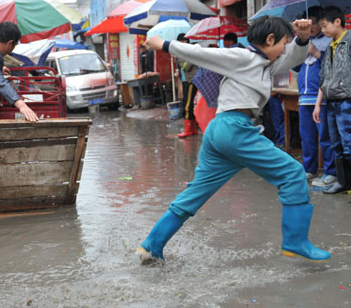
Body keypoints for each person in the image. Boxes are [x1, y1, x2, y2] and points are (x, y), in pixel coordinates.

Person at [138, 16, 330, 264]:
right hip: (234, 129)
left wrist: (302, 38)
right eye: (283, 42)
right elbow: (202, 55)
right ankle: (295, 241)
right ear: (270, 40)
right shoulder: (243, 58)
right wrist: (163, 44)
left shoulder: (264, 64)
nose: (285, 47)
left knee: (196, 192)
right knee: (293, 174)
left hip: (221, 131)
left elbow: (294, 57)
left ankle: (152, 245)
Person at [292, 7, 335, 186]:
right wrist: (302, 50)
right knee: (307, 136)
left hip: (322, 99)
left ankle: (330, 172)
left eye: (313, 23)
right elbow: (295, 66)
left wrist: (316, 52)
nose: (310, 27)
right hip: (304, 97)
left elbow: (333, 65)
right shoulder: (303, 42)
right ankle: (309, 169)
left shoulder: (328, 41)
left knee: (325, 137)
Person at [313, 6, 351, 194]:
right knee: (336, 144)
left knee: (349, 143)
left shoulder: (349, 42)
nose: (323, 30)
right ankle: (343, 183)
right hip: (331, 102)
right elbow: (324, 78)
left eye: (325, 25)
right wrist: (318, 104)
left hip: (347, 101)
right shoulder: (329, 48)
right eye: (321, 27)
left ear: (338, 21)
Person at [174, 33, 198, 138]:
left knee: (188, 105)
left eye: (183, 41)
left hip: (192, 80)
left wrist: (180, 58)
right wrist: (177, 70)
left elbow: (187, 66)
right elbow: (179, 67)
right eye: (180, 41)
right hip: (184, 81)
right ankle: (192, 129)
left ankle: (188, 130)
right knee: (186, 103)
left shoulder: (190, 51)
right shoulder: (180, 53)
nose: (182, 43)